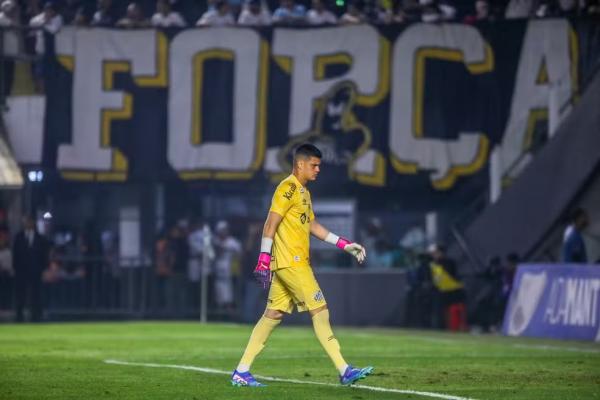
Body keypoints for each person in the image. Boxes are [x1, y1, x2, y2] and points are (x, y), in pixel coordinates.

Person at [231, 143, 373, 387]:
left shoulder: (304, 193)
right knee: (320, 309)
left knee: (272, 315)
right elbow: (269, 224)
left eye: (319, 165)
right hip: (292, 264)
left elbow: (312, 226)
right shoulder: (287, 188)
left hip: (289, 265)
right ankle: (344, 369)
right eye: (314, 165)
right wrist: (263, 257)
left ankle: (241, 371)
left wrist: (345, 245)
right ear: (300, 164)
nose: (318, 169)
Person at [12, 216, 50, 322]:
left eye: (30, 221)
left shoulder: (40, 238)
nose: (28, 224)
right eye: (26, 222)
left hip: (36, 271)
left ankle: (36, 315)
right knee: (21, 294)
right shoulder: (18, 237)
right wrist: (15, 268)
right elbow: (15, 255)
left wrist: (44, 269)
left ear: (33, 223)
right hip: (21, 271)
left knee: (36, 294)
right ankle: (19, 315)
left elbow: (43, 255)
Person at [428, 243, 467, 331]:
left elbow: (452, 274)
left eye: (435, 252)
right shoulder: (433, 264)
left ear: (441, 252)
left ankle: (461, 326)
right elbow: (434, 278)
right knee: (444, 311)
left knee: (458, 309)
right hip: (443, 290)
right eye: (433, 253)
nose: (433, 255)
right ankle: (449, 327)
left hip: (454, 289)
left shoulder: (449, 262)